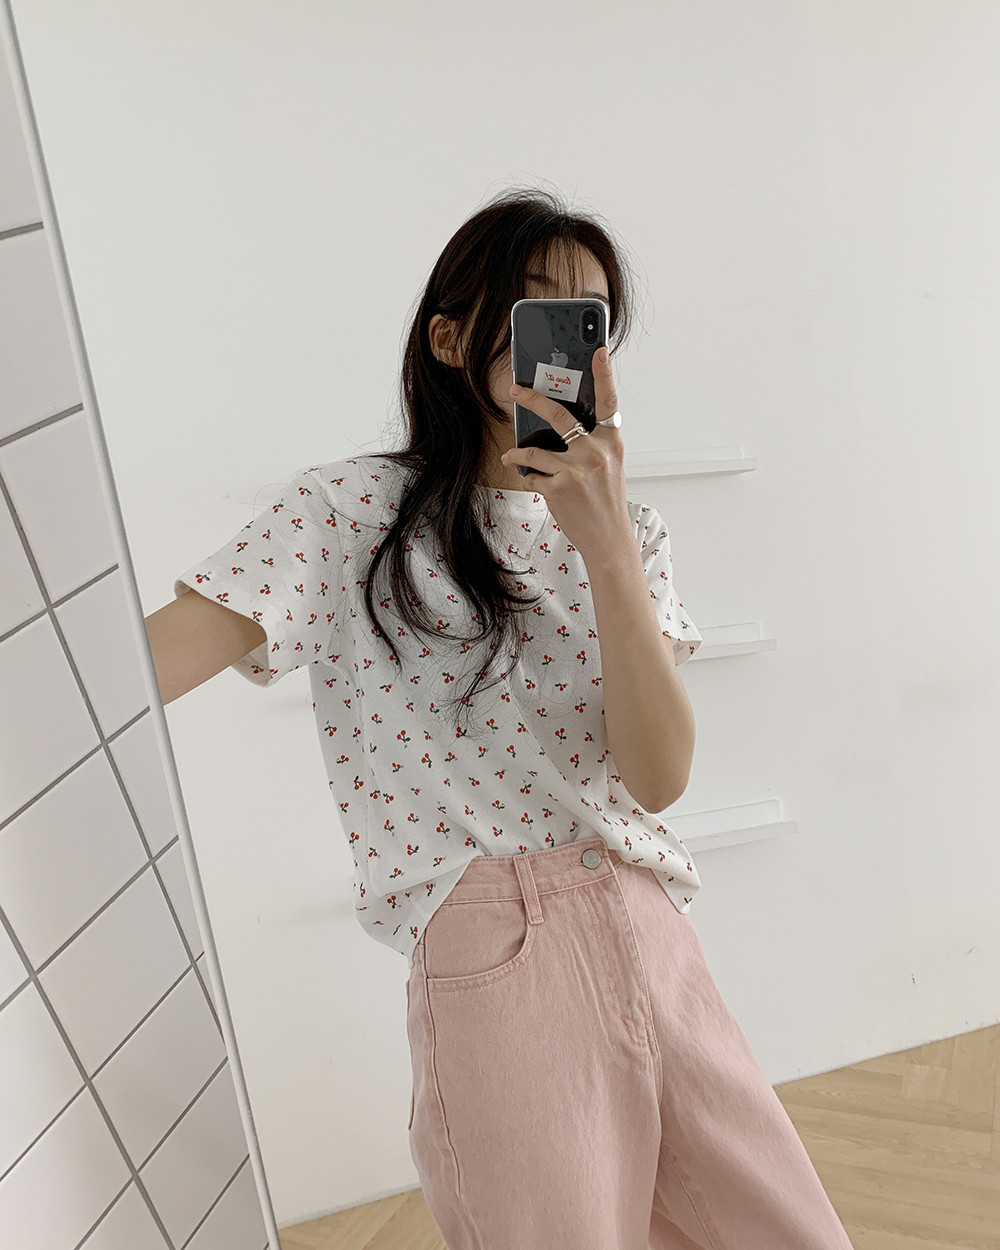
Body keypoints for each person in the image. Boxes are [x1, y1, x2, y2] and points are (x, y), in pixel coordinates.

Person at [145, 187, 854, 1249]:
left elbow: (658, 779)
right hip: (491, 937)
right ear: (449, 338)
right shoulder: (346, 513)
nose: (567, 349)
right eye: (536, 312)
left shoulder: (632, 529)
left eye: (589, 322)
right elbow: (131, 676)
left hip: (649, 922)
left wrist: (605, 548)